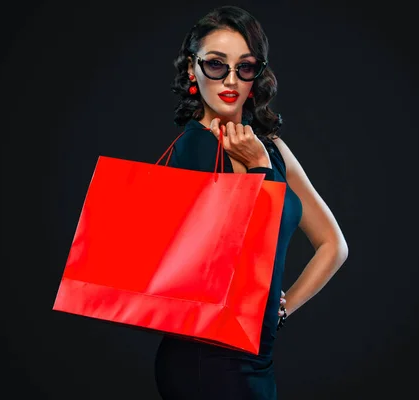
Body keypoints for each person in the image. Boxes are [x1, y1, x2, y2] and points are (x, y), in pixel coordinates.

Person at [153, 5, 349, 399]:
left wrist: (282, 309)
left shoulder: (272, 148)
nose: (229, 79)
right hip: (204, 357)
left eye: (244, 67)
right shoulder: (195, 148)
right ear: (192, 69)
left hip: (257, 355)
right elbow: (233, 260)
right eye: (215, 65)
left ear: (256, 75)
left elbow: (334, 245)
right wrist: (260, 171)